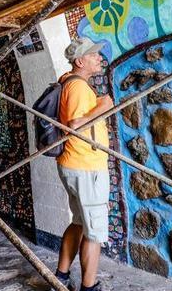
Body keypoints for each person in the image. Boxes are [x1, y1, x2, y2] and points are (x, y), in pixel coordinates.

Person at [54, 38, 114, 291]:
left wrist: (101, 103)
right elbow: (76, 125)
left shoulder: (71, 83)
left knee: (79, 221)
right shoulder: (77, 87)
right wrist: (104, 105)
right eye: (93, 55)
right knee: (94, 231)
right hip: (86, 166)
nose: (99, 58)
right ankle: (89, 287)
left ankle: (61, 276)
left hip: (75, 164)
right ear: (80, 61)